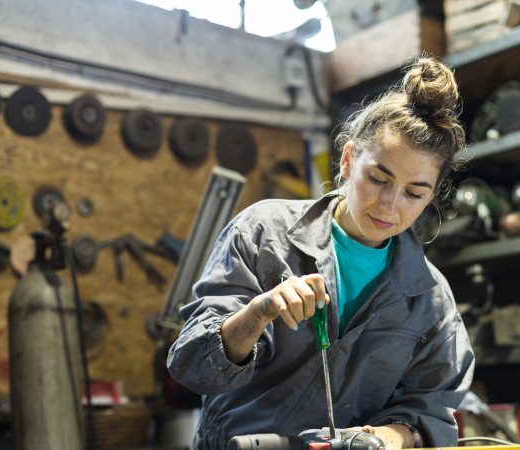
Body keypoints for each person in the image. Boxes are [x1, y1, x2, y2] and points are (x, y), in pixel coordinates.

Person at [167, 56, 475, 450]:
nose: (390, 204)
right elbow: (191, 366)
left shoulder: (430, 299)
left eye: (414, 193)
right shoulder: (264, 234)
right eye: (379, 179)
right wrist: (258, 313)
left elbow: (433, 407)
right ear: (347, 161)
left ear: (431, 195)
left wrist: (387, 437)